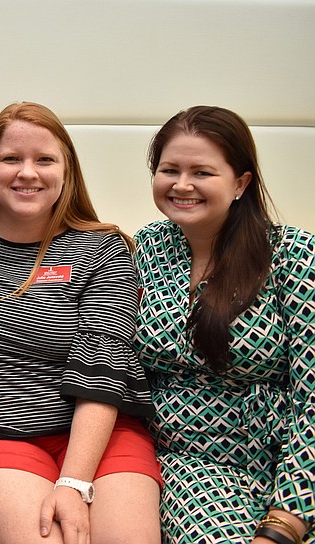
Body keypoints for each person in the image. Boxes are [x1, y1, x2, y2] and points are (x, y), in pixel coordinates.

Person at [0, 102, 162, 544]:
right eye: (11, 159)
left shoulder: (103, 249)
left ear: (66, 171)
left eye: (44, 160)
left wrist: (74, 482)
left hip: (97, 435)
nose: (27, 173)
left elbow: (103, 364)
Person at [134, 105, 315, 544]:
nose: (182, 185)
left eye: (202, 172)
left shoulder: (293, 254)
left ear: (241, 183)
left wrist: (287, 517)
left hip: (294, 459)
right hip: (193, 464)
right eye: (169, 169)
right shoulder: (143, 247)